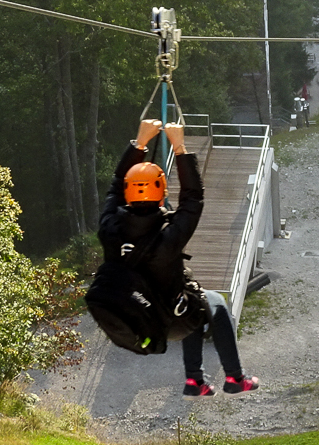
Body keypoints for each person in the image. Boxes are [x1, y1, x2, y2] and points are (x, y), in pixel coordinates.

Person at [97, 118, 261, 397]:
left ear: (127, 192)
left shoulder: (109, 227)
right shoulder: (168, 236)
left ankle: (194, 380)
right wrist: (180, 147)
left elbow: (114, 188)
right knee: (216, 304)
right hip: (167, 323)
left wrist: (140, 143)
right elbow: (193, 198)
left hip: (137, 318)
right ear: (161, 194)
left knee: (193, 302)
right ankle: (235, 378)